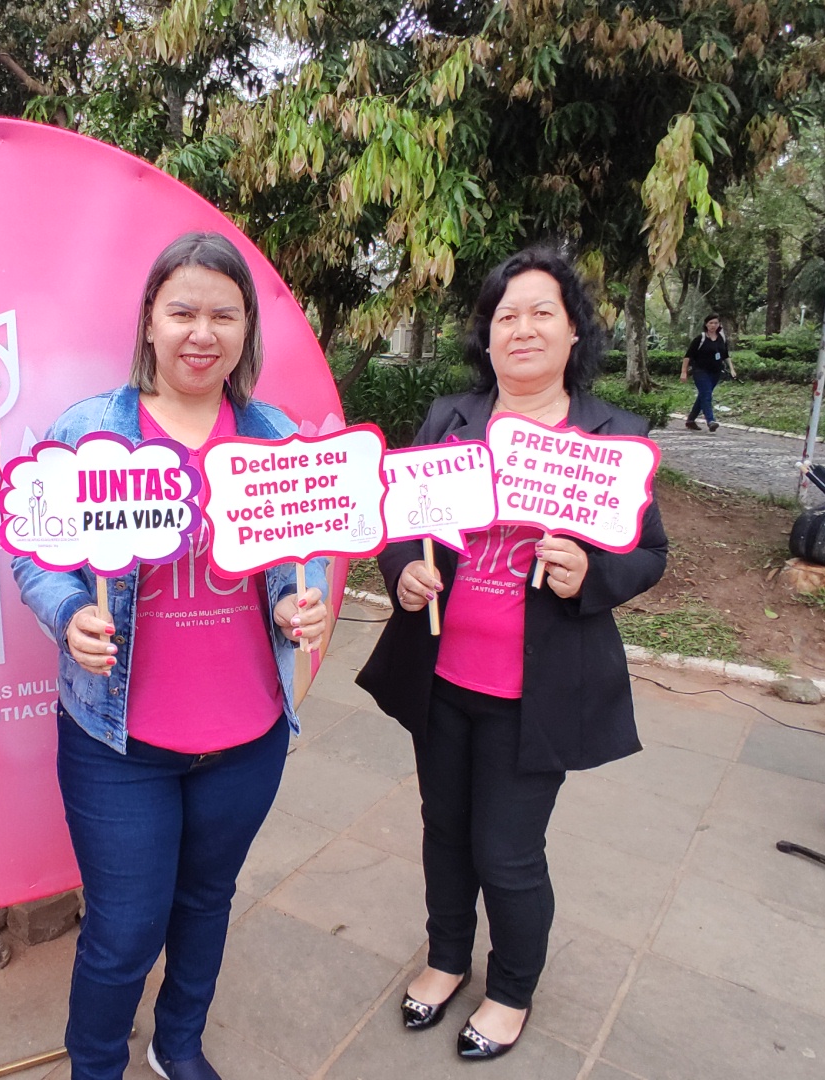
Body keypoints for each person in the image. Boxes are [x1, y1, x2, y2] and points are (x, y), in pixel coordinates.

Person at [11, 232, 330, 1080]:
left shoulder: (273, 437)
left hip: (248, 736)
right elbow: (34, 553)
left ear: (246, 328)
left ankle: (177, 1042)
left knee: (207, 903)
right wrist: (69, 611)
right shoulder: (89, 432)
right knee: (122, 930)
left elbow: (303, 552)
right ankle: (95, 1066)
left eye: (223, 315)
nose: (202, 333)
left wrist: (298, 599)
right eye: (182, 311)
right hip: (118, 743)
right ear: (149, 320)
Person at [356, 245, 668, 1062]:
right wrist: (402, 572)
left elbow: (650, 554)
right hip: (441, 678)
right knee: (444, 830)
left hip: (537, 694)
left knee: (507, 851)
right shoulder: (449, 419)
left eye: (541, 313)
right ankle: (446, 957)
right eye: (506, 316)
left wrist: (590, 575)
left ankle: (512, 989)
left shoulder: (611, 437)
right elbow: (397, 522)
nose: (522, 328)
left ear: (574, 333)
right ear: (487, 338)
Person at [681, 314, 734, 431]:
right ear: (706, 324)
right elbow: (688, 356)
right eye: (711, 323)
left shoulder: (722, 338)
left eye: (716, 323)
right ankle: (710, 421)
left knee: (703, 395)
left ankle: (690, 420)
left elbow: (725, 355)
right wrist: (683, 372)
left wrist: (732, 369)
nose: (713, 325)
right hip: (700, 371)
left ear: (719, 324)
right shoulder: (700, 338)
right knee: (707, 394)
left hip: (715, 372)